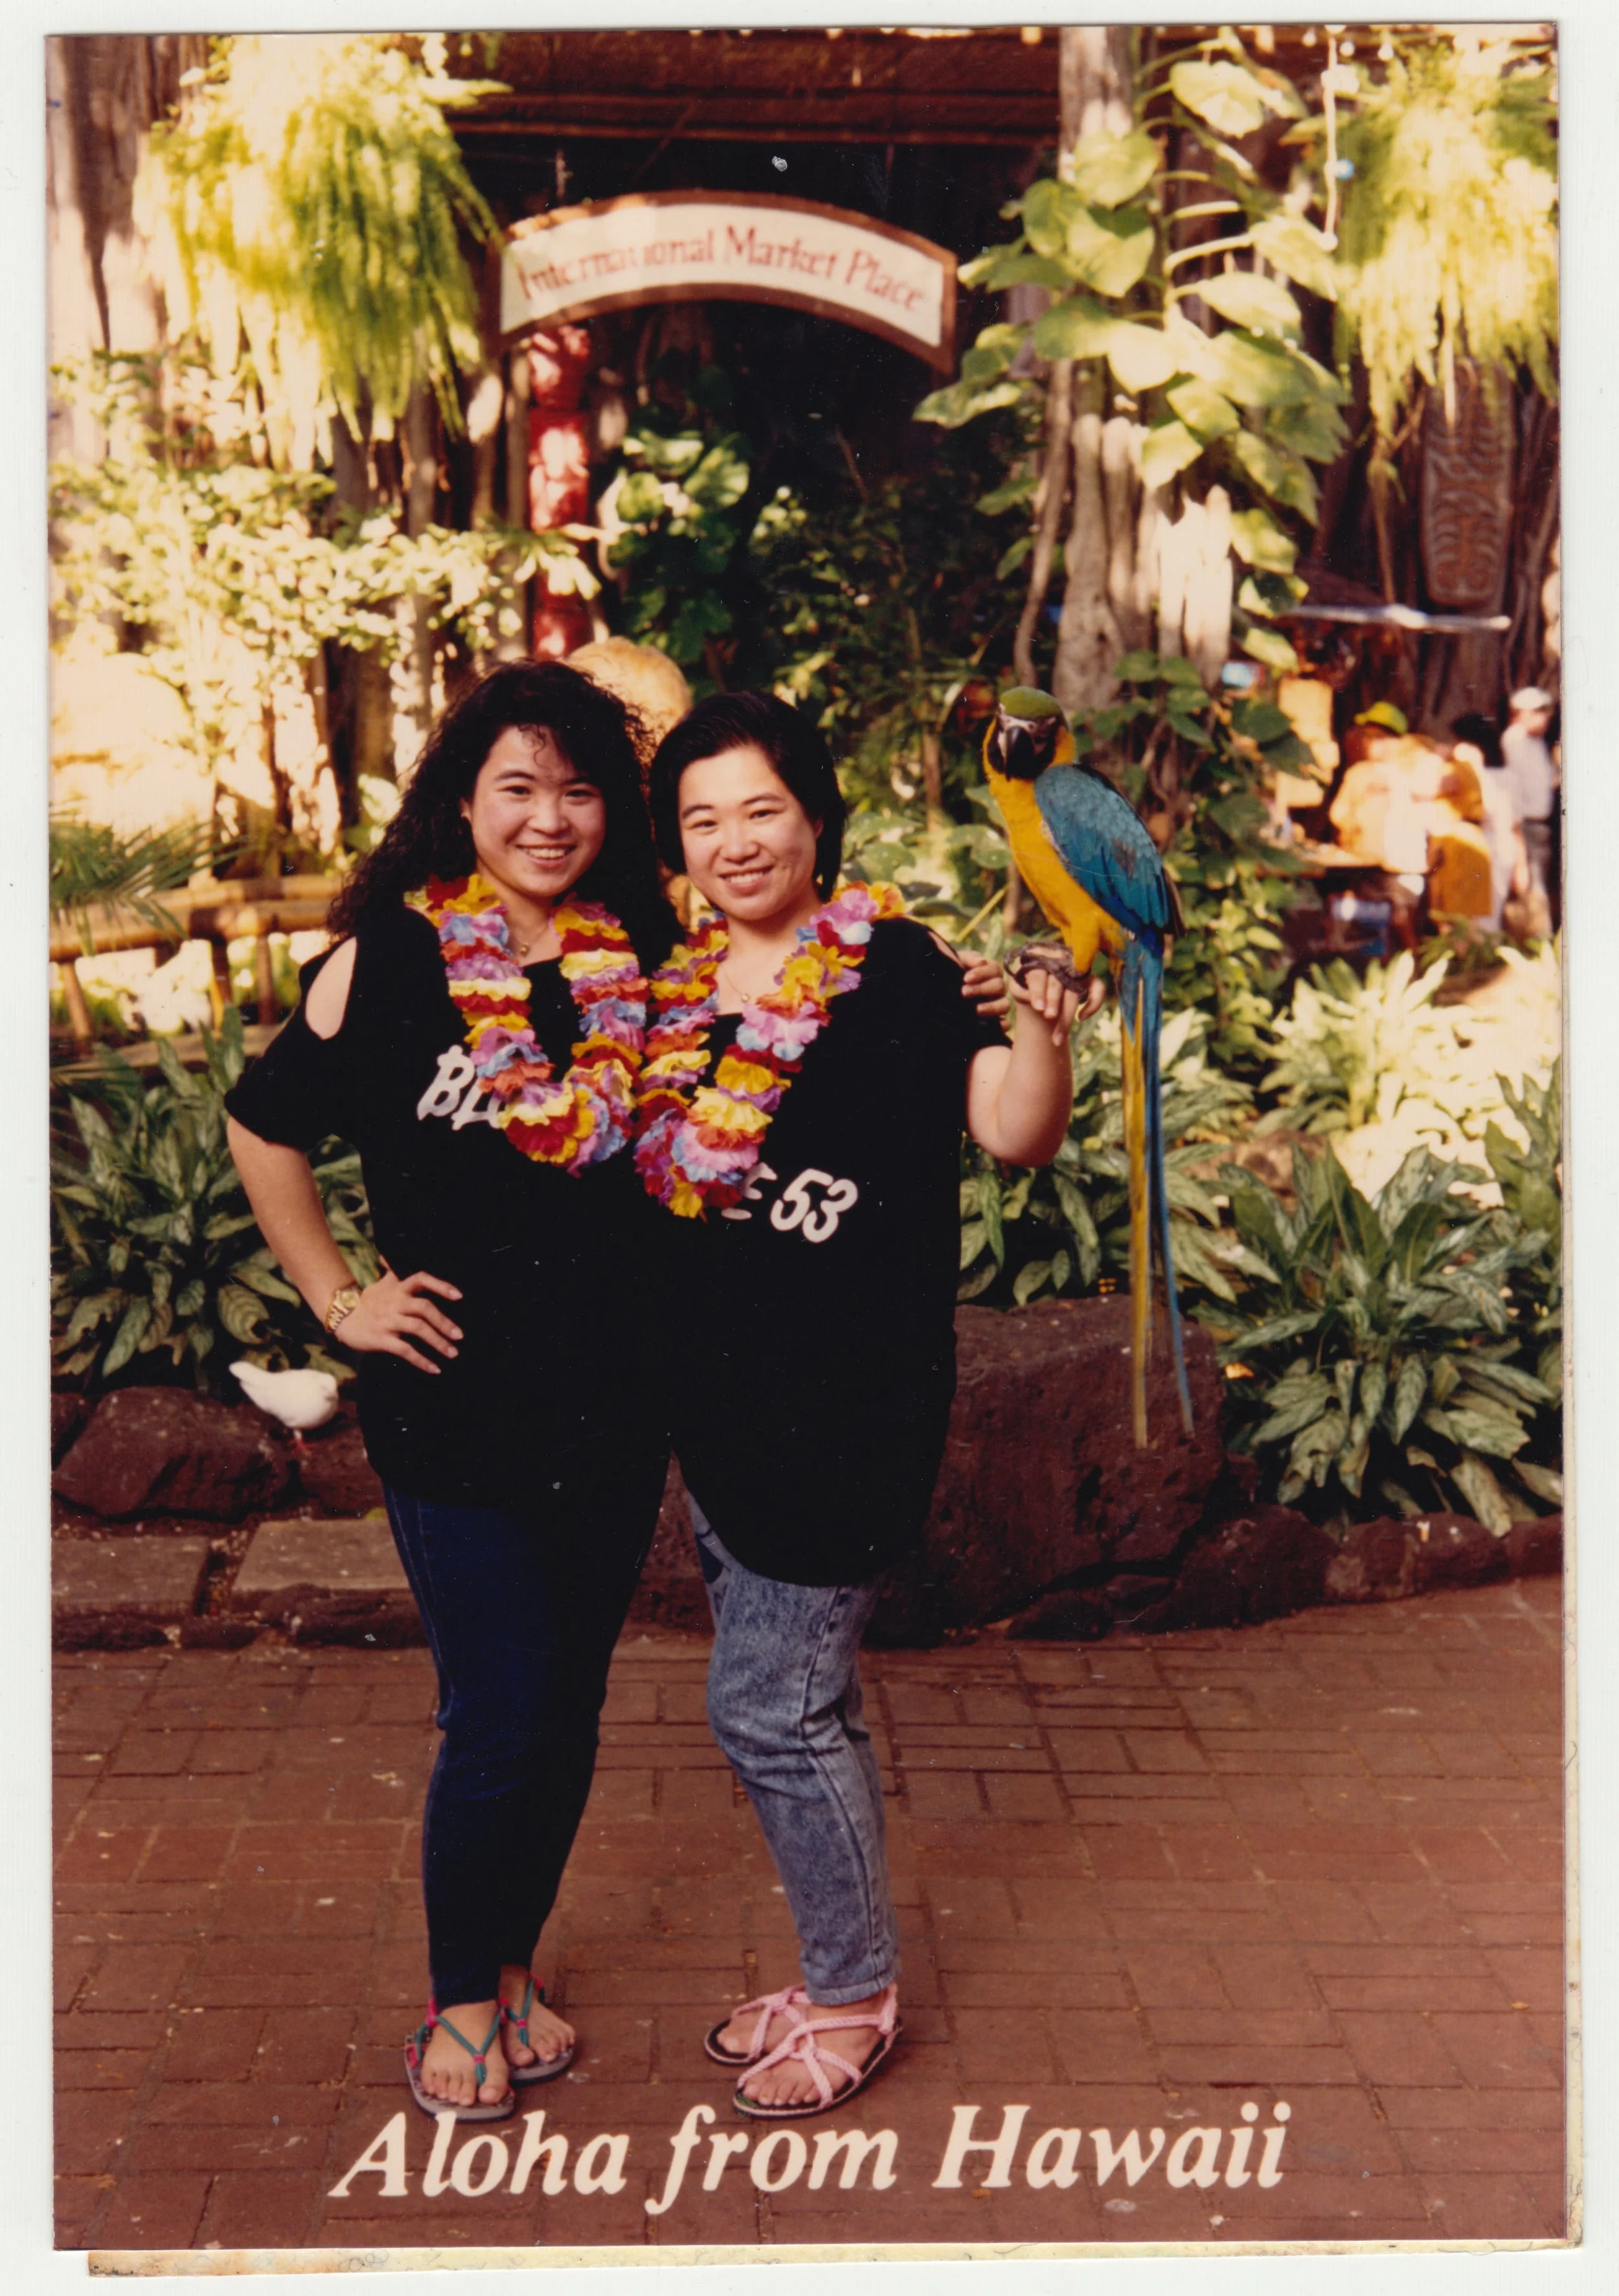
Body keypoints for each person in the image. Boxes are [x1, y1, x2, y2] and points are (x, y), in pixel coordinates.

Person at [224, 661, 679, 2121]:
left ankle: (514, 1960)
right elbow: (264, 1129)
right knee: (499, 1707)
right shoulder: (392, 957)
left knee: (569, 1707)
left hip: (613, 1402)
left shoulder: (651, 946)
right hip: (452, 1404)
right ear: (463, 801)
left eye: (579, 789)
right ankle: (462, 2008)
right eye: (518, 789)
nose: (550, 819)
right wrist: (342, 1298)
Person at [637, 692, 1092, 2121]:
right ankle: (835, 1963)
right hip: (711, 1413)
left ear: (816, 817)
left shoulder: (894, 973)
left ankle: (852, 1993)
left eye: (759, 809)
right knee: (799, 1701)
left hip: (841, 1415)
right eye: (701, 820)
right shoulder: (664, 988)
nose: (734, 842)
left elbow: (1014, 1130)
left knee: (768, 1711)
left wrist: (1041, 1027)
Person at [1451, 713, 1525, 930]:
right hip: (1471, 849)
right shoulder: (1460, 774)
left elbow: (1515, 826)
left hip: (1495, 849)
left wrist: (1522, 866)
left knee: (1488, 915)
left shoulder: (1501, 777)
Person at [1501, 686, 1559, 918]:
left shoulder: (1537, 743)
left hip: (1540, 826)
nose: (1544, 718)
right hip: (1524, 826)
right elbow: (1515, 785)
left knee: (1538, 889)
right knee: (1532, 892)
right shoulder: (1515, 739)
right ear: (1522, 713)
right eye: (1538, 712)